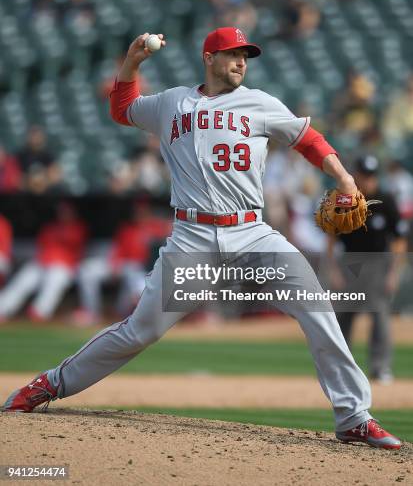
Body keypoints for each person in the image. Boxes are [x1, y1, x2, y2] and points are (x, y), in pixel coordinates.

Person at [2, 28, 401, 450]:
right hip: (193, 237)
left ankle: (354, 416)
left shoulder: (261, 103)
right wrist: (132, 63)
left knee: (316, 304)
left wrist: (343, 177)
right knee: (140, 331)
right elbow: (122, 110)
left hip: (252, 234)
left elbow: (309, 139)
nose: (241, 61)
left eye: (246, 55)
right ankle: (51, 383)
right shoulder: (173, 102)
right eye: (232, 54)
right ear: (209, 57)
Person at [327, 155, 408, 384]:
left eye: (371, 176)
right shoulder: (344, 200)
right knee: (343, 316)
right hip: (350, 263)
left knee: (379, 315)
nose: (368, 180)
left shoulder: (386, 200)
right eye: (364, 175)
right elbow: (331, 238)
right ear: (357, 176)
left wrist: (394, 272)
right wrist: (333, 269)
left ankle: (380, 367)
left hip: (378, 263)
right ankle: (339, 369)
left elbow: (399, 239)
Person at [73, 200, 172, 325]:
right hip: (121, 263)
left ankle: (121, 312)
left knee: (134, 275)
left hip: (139, 266)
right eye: (137, 212)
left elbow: (170, 231)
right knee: (86, 270)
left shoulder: (155, 227)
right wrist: (115, 263)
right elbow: (117, 249)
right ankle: (92, 311)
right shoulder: (127, 229)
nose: (139, 215)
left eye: (143, 212)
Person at [0, 201, 87, 322]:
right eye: (61, 211)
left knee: (54, 279)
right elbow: (42, 246)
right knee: (24, 278)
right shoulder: (49, 227)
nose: (63, 214)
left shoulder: (78, 228)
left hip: (64, 265)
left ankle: (39, 312)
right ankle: (3, 308)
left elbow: (73, 245)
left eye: (66, 211)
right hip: (43, 262)